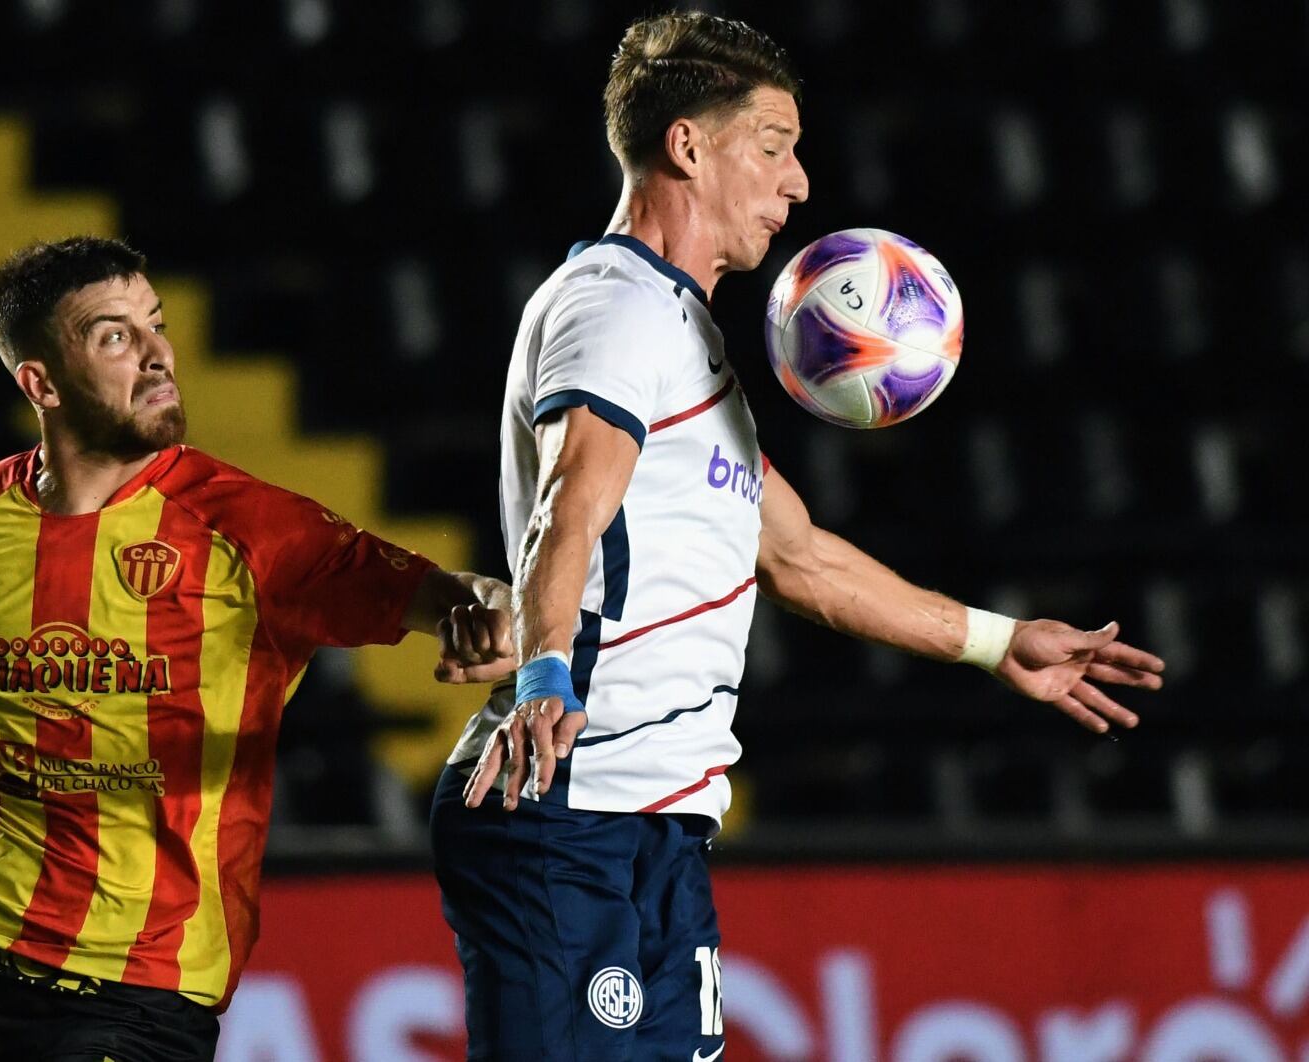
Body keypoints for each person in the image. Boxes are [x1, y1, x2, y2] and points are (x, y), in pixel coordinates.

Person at [429, 12, 1167, 1061]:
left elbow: (796, 557)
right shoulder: (616, 307)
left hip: (652, 821)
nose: (800, 182)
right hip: (569, 808)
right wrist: (546, 672)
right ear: (688, 146)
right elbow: (569, 502)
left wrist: (998, 642)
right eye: (773, 146)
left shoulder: (686, 339)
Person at [0, 236, 514, 1062]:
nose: (160, 353)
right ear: (41, 383)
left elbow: (443, 592)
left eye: (155, 323)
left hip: (133, 989)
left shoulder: (256, 530)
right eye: (116, 336)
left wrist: (482, 611)